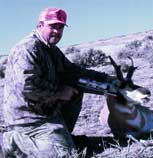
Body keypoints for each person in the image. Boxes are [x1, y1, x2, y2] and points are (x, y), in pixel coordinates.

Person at [2, 7, 115, 158]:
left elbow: (75, 72)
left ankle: (60, 136)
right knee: (65, 154)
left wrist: (110, 81)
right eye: (52, 26)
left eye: (60, 27)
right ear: (40, 25)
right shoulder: (27, 49)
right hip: (27, 119)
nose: (57, 31)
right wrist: (59, 92)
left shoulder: (52, 50)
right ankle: (12, 140)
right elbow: (27, 87)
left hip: (45, 111)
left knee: (76, 86)